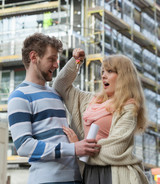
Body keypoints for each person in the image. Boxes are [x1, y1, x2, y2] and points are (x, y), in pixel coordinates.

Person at [8, 34, 100, 184]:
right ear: (34, 57)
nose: (56, 65)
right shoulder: (19, 97)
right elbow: (24, 146)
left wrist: (76, 60)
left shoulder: (55, 94)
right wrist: (73, 149)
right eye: (51, 59)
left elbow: (63, 80)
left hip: (76, 179)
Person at [53, 48, 149, 184]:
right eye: (102, 71)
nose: (103, 75)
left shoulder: (128, 106)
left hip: (116, 174)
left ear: (123, 76)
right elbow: (60, 86)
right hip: (88, 172)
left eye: (110, 71)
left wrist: (80, 148)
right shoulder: (90, 100)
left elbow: (115, 149)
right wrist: (76, 61)